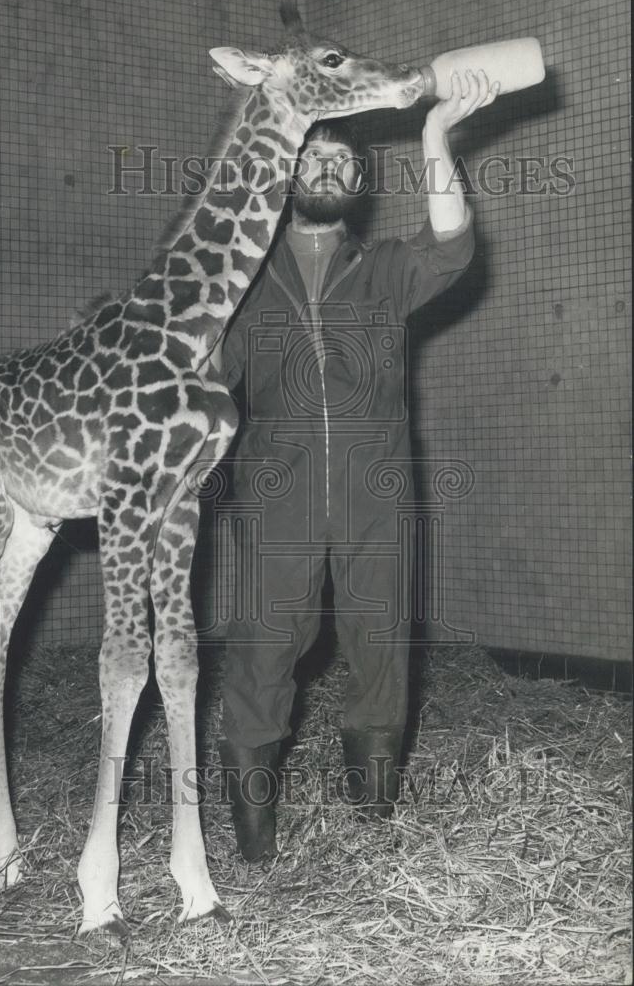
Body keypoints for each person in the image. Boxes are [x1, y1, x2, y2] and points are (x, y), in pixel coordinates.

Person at [214, 70, 499, 861]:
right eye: (314, 157)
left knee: (380, 637)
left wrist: (436, 134)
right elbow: (206, 377)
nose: (329, 167)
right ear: (287, 174)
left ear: (359, 187)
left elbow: (451, 240)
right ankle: (255, 846)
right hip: (276, 489)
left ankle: (373, 828)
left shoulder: (382, 270)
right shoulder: (242, 283)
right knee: (265, 642)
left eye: (343, 161)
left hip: (380, 489)